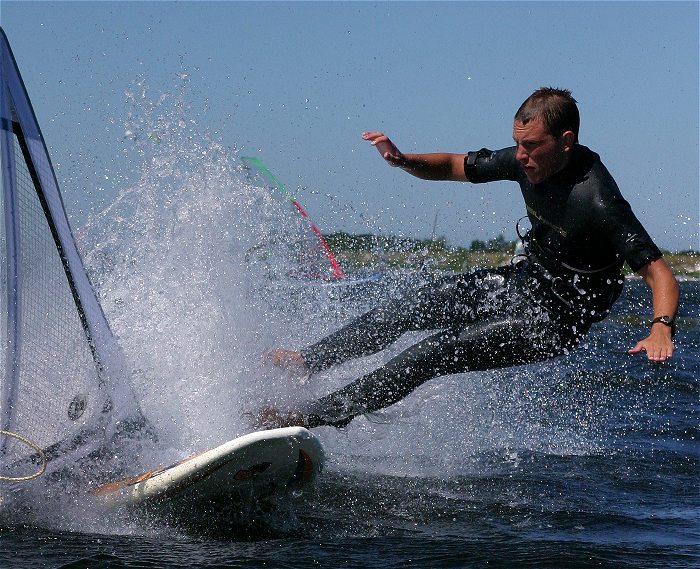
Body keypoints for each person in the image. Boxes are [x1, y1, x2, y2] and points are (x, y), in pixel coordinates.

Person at [256, 87, 679, 430]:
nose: (520, 155)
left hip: (553, 322)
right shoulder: (527, 161)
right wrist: (404, 161)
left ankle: (306, 418)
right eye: (516, 144)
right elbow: (457, 165)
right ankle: (305, 362)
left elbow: (659, 274)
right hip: (524, 282)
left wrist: (661, 328)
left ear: (566, 142)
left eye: (531, 146)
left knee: (432, 353)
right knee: (413, 306)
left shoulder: (597, 199)